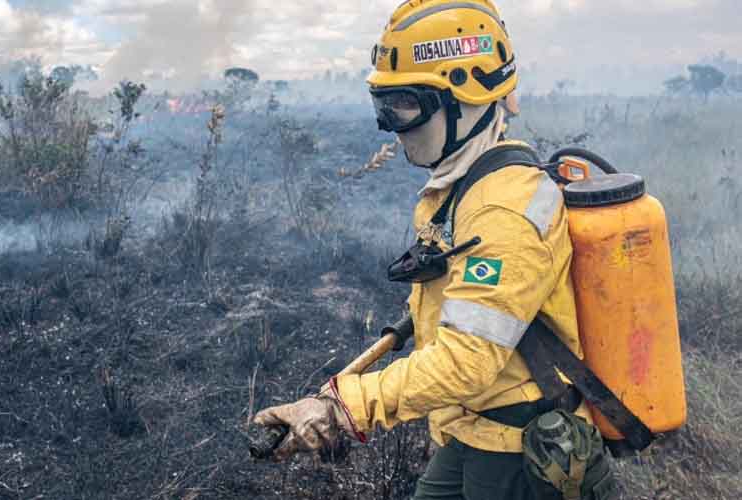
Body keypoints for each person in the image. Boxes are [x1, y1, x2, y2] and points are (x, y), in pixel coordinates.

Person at [254, 1, 617, 498]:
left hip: (522, 448)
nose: (392, 125)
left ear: (467, 98)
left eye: (406, 104)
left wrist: (342, 408)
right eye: (384, 105)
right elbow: (458, 295)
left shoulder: (504, 211)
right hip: (472, 425)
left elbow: (467, 362)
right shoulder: (464, 184)